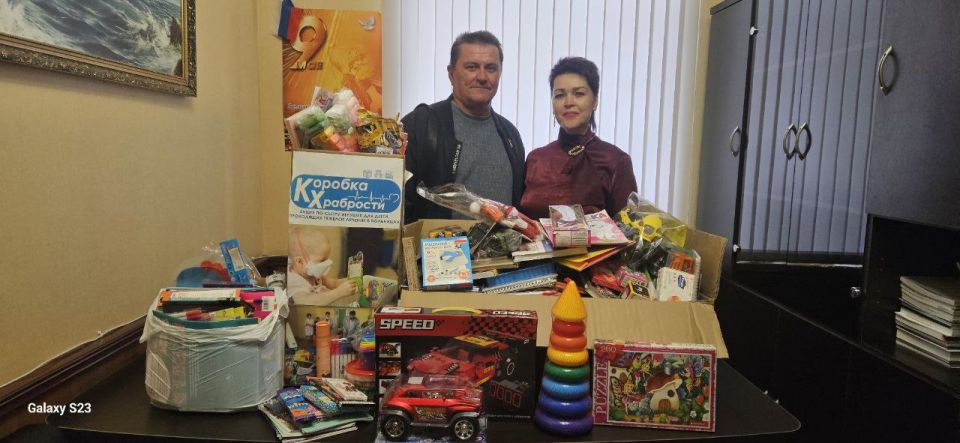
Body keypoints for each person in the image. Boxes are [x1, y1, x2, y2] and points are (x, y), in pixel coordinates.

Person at [402, 30, 526, 222]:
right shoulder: (421, 125)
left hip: (504, 243)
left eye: (491, 68)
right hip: (436, 242)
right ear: (451, 73)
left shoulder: (511, 135)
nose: (482, 76)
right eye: (472, 67)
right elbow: (398, 205)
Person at [520, 57, 638, 219]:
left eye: (579, 94)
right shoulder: (536, 159)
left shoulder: (616, 161)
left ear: (595, 101)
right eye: (559, 95)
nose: (568, 102)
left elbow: (630, 228)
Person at [287, 226, 357, 305]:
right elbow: (306, 302)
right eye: (321, 261)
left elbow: (334, 283)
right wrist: (338, 292)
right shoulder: (294, 281)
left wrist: (351, 282)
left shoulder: (312, 274)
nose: (327, 263)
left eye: (326, 259)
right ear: (300, 261)